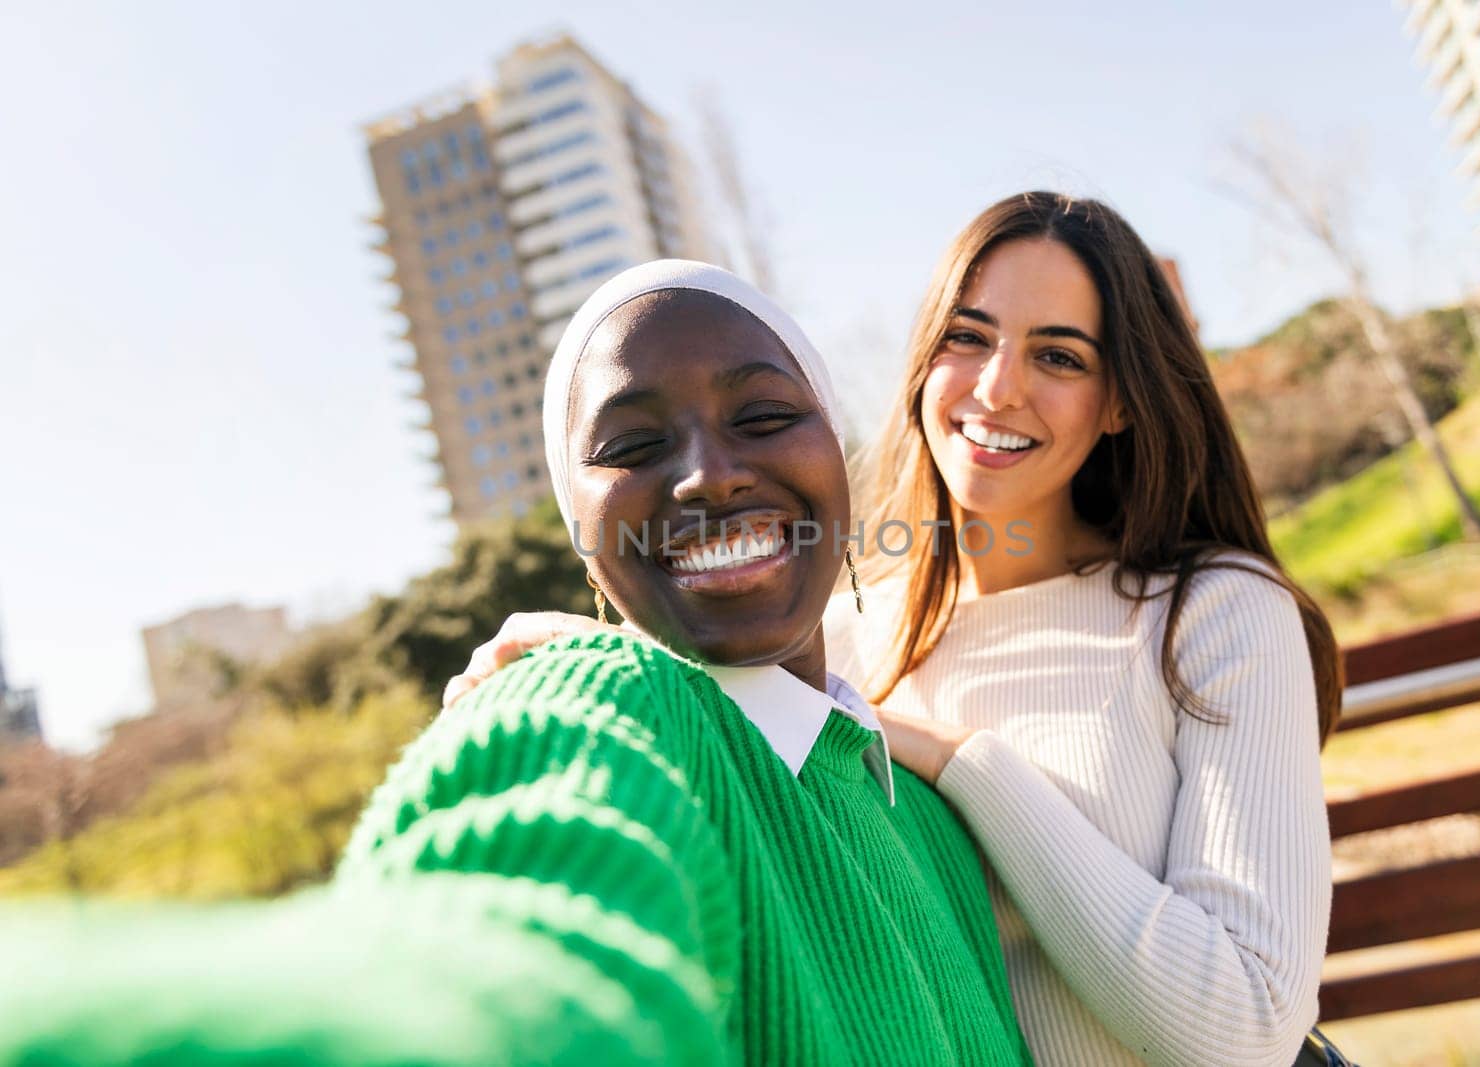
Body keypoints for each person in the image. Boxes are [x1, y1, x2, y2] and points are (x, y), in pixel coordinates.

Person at [0, 261, 1032, 1067]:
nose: (709, 476)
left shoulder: (936, 824)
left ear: (836, 459)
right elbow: (503, 960)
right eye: (629, 447)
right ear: (576, 525)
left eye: (762, 417)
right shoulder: (605, 706)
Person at [449, 195, 1338, 1067]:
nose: (998, 387)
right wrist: (621, 658)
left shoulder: (1216, 610)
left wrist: (965, 762)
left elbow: (1246, 1029)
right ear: (922, 362)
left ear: (1120, 402)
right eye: (968, 336)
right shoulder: (834, 642)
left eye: (1059, 356)